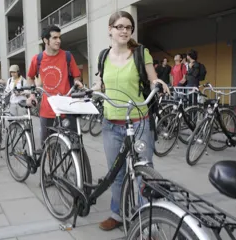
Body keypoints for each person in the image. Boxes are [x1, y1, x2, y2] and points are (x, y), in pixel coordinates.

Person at [91, 10, 168, 231]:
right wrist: (91, 89)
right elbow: (102, 84)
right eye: (120, 27)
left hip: (139, 122)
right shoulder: (103, 56)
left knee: (144, 172)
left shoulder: (140, 53)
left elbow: (154, 80)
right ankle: (117, 213)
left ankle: (148, 224)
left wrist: (159, 84)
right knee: (116, 173)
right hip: (110, 123)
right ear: (110, 30)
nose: (124, 31)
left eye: (128, 27)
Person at [26, 25, 83, 146]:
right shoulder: (38, 59)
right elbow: (30, 77)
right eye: (55, 38)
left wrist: (77, 82)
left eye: (59, 37)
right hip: (47, 110)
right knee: (48, 146)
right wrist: (32, 94)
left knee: (72, 145)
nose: (59, 41)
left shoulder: (67, 56)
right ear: (45, 40)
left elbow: (76, 75)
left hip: (67, 109)